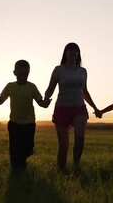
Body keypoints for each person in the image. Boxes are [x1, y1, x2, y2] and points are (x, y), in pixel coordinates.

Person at [43, 42, 101, 170]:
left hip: (79, 108)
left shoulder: (83, 71)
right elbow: (50, 88)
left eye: (75, 50)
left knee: (80, 139)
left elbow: (84, 91)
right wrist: (46, 99)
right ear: (65, 53)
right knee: (64, 146)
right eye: (70, 50)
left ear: (78, 54)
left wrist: (95, 108)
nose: (73, 52)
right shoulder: (59, 69)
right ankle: (61, 171)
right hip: (62, 108)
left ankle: (76, 165)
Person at [0, 60, 50, 171]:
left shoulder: (32, 87)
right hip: (14, 124)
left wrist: (45, 104)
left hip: (29, 124)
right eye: (21, 73)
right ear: (15, 73)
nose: (23, 76)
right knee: (14, 151)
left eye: (26, 73)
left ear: (29, 73)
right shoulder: (10, 86)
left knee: (29, 149)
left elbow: (41, 103)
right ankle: (17, 171)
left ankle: (21, 163)